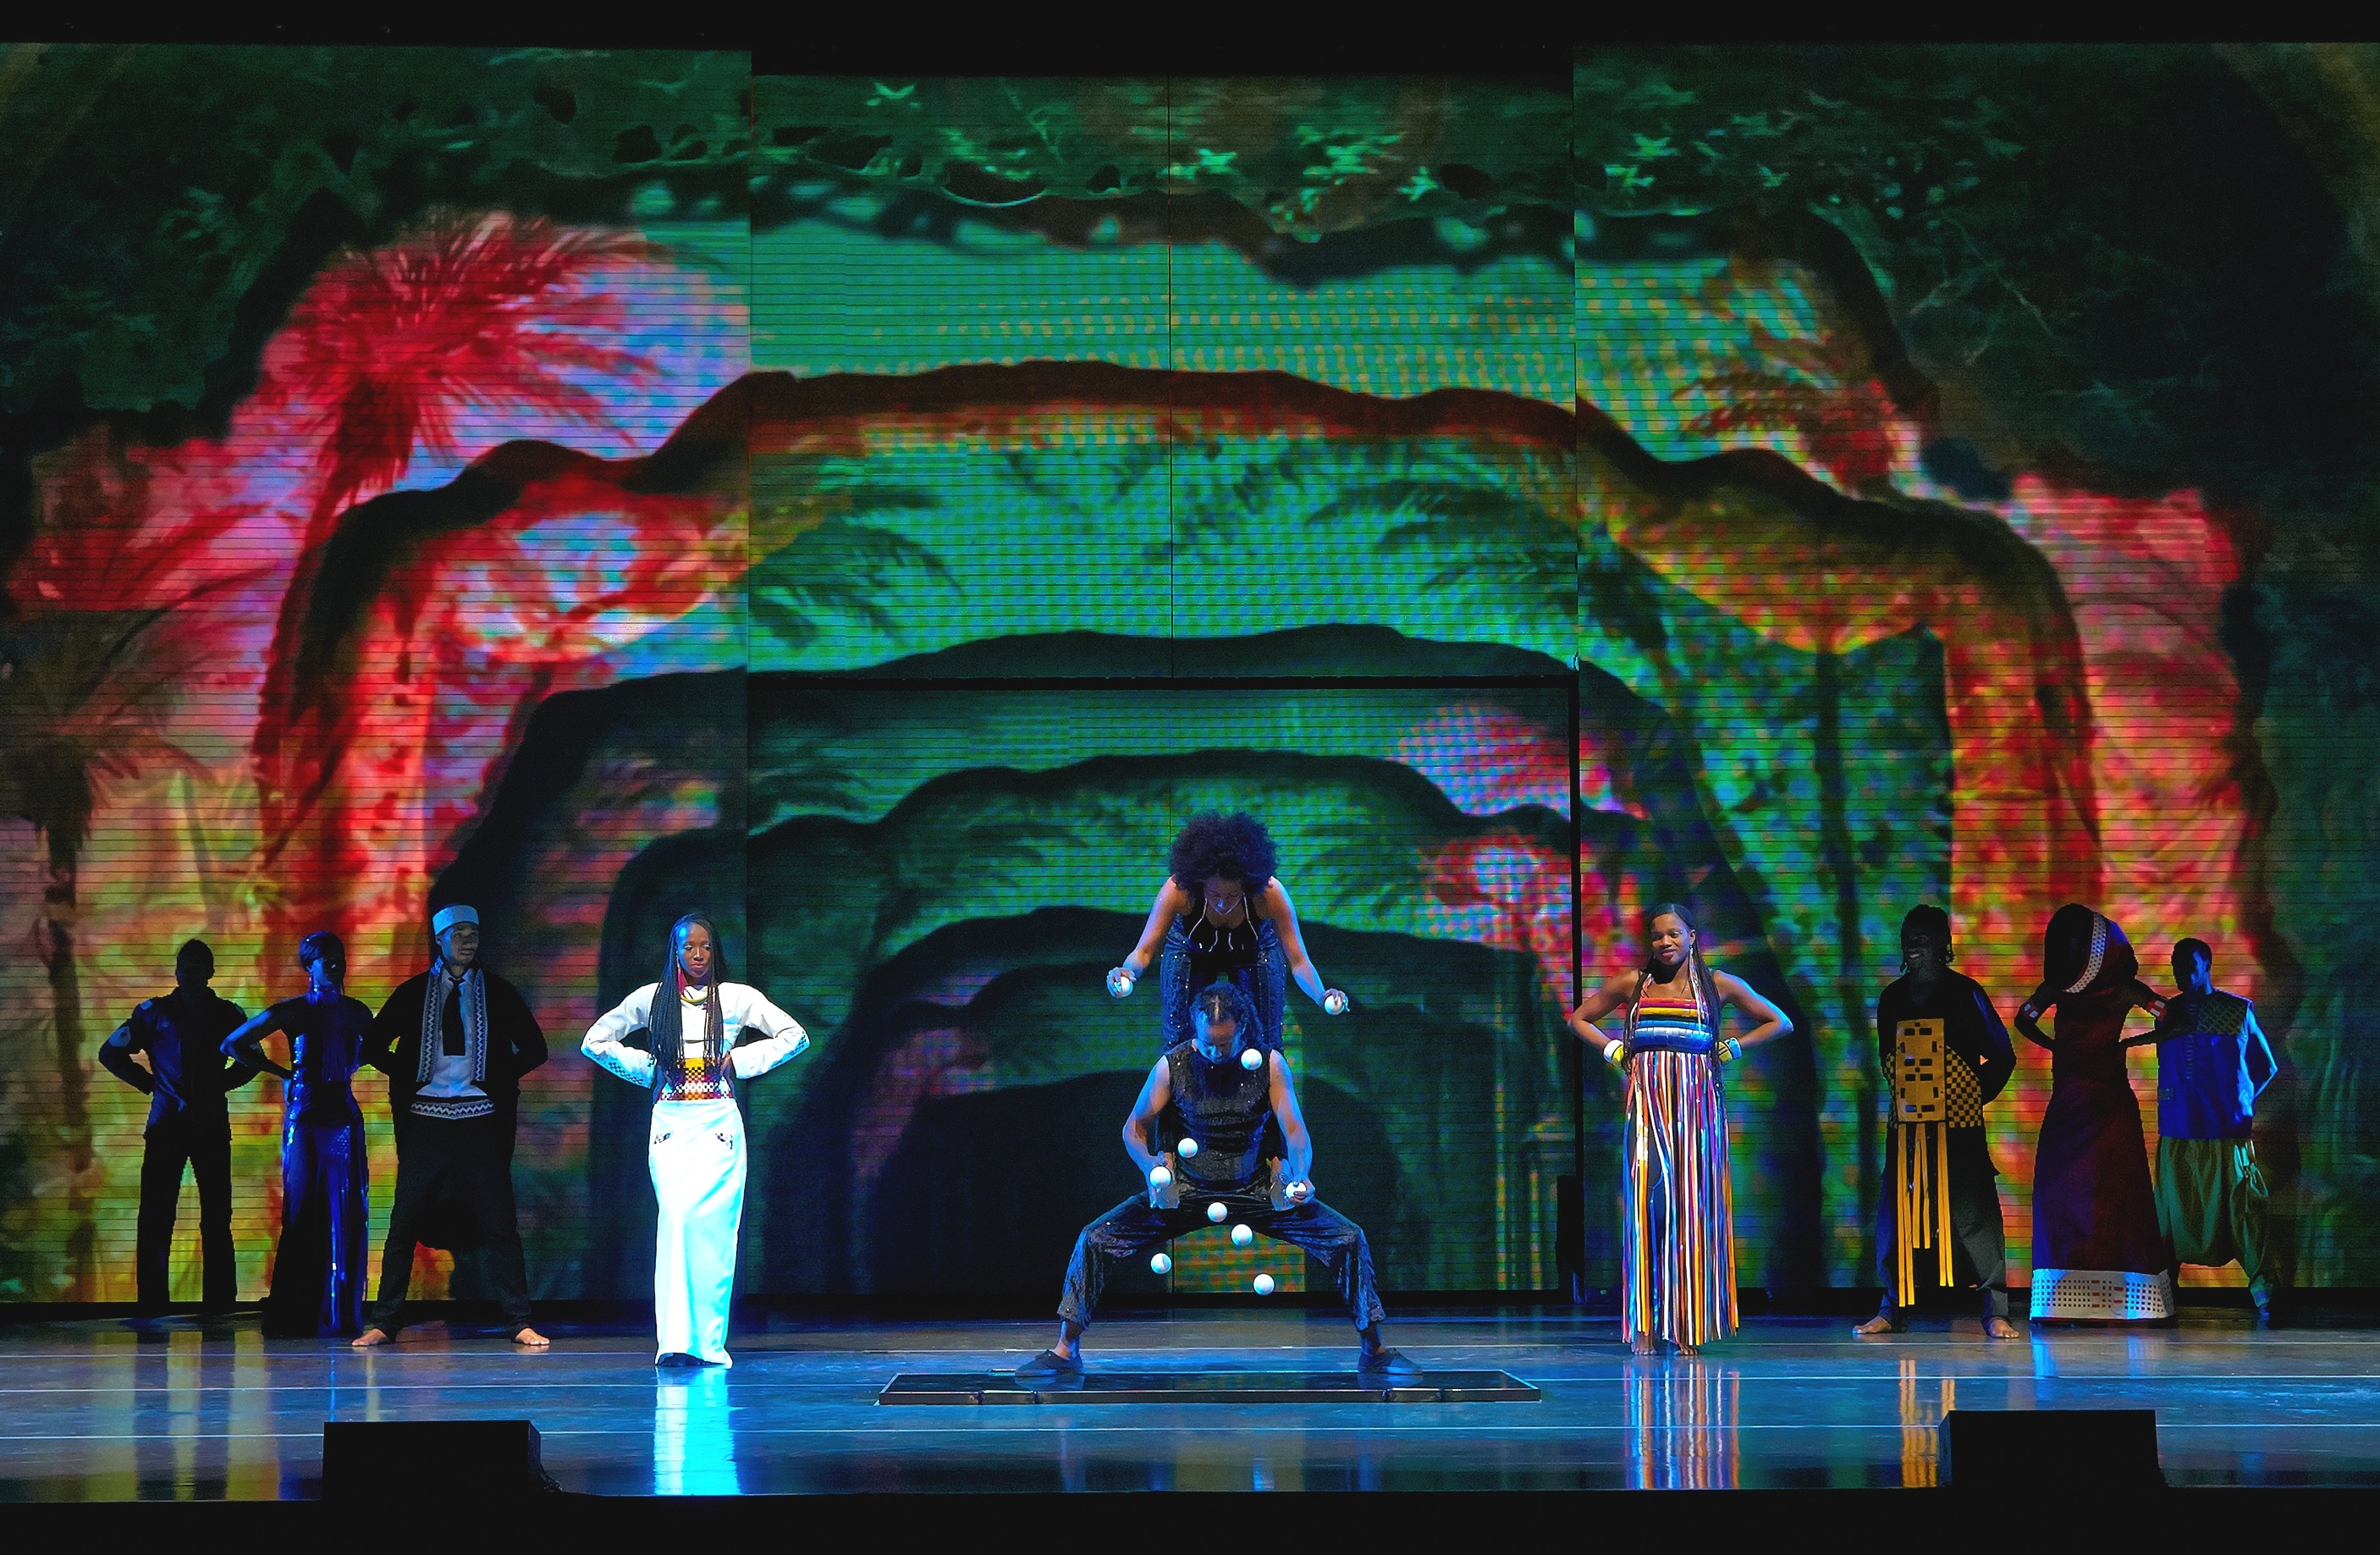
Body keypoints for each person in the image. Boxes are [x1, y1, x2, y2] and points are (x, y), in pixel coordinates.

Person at [1018, 981, 1413, 1380]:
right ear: (1195, 1032)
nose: (1216, 1052)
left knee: (1347, 1238)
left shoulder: (1270, 1065)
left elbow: (1295, 1131)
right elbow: (1133, 1127)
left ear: (1243, 1031)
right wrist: (1150, 1166)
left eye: (1225, 1044)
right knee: (1094, 1239)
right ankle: (1066, 1350)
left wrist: (1302, 1175)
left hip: (1257, 1188)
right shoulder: (1172, 1066)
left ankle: (1374, 1349)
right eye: (1208, 1044)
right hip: (1186, 1190)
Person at [582, 913, 810, 1366]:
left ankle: (707, 1345)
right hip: (672, 1123)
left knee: (715, 1233)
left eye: (705, 946)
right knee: (677, 1222)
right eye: (689, 947)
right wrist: (648, 1068)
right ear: (675, 951)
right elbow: (595, 1041)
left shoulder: (737, 998)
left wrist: (740, 1060)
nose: (699, 955)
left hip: (718, 1125)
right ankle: (673, 1341)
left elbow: (795, 1036)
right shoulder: (652, 999)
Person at [1567, 903, 1792, 1355]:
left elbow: (1779, 1022)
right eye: (1656, 936)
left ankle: (1687, 1321)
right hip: (1648, 1111)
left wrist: (1732, 1048)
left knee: (1690, 1213)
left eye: (1674, 933)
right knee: (1644, 1210)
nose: (1665, 942)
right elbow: (1578, 1019)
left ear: (1692, 936)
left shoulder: (1717, 985)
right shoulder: (1634, 984)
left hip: (1697, 1113)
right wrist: (1614, 1050)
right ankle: (1644, 1324)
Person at [354, 903, 549, 1348]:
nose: (467, 941)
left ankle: (519, 1321)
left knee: (501, 1226)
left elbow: (535, 1049)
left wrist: (495, 1078)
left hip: (479, 1121)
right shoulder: (413, 992)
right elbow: (371, 1046)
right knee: (404, 1225)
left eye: (472, 934)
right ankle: (385, 1322)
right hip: (427, 1121)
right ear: (439, 939)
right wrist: (411, 1074)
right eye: (458, 934)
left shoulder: (497, 992)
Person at [1854, 905, 2020, 1339]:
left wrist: (1971, 1096)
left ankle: (1995, 1309)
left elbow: (2002, 1056)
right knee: (1898, 1217)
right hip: (1907, 1127)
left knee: (1974, 1216)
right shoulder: (1893, 998)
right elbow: (1888, 1060)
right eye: (1909, 937)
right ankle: (1893, 1308)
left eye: (1924, 937)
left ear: (1944, 944)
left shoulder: (1966, 993)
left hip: (1959, 1128)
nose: (1914, 945)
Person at [2015, 903, 2171, 1322]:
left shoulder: (2125, 989)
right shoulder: (2056, 988)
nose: (2069, 951)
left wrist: (2134, 1043)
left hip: (2109, 1108)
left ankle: (2131, 1302)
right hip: (2068, 1104)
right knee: (2060, 1197)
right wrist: (2054, 1047)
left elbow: (2174, 1017)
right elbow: (2023, 1020)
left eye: (2075, 944)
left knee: (2116, 1198)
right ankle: (2061, 1299)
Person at [222, 932, 372, 1336]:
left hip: (344, 1120)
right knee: (303, 1212)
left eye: (339, 957)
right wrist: (283, 1074)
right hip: (306, 1120)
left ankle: (339, 1312)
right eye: (326, 959)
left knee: (346, 1213)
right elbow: (232, 1043)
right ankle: (298, 1310)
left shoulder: (357, 1012)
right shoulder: (294, 1010)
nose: (335, 965)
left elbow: (373, 1049)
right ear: (309, 965)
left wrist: (352, 1066)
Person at [1105, 812, 1348, 1055]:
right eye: (1214, 895)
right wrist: (1127, 971)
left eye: (1232, 895)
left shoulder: (1270, 894)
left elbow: (1299, 961)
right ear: (1200, 884)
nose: (1222, 904)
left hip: (1255, 952)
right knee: (1178, 1038)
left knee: (1266, 1040)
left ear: (1247, 885)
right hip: (1190, 951)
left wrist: (1321, 994)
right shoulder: (1178, 891)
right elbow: (1144, 951)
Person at [99, 940, 253, 1312]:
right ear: (177, 971)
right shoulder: (154, 1013)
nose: (189, 975)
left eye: (196, 968)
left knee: (216, 1217)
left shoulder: (228, 1015)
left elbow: (251, 1060)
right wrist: (150, 1084)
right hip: (168, 1126)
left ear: (210, 972)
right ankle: (153, 1303)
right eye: (185, 967)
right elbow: (110, 1052)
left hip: (208, 1126)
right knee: (157, 1215)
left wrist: (220, 1085)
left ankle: (219, 1303)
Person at [2147, 937, 2278, 1325]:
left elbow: (2266, 1066)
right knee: (2169, 1217)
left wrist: (2238, 1100)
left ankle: (2265, 1293)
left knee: (2243, 1213)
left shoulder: (2237, 1010)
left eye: (2187, 965)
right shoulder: (2167, 1014)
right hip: (2178, 1132)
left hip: (2226, 1135)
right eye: (2175, 965)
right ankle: (2163, 1296)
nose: (2179, 972)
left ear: (2206, 965)